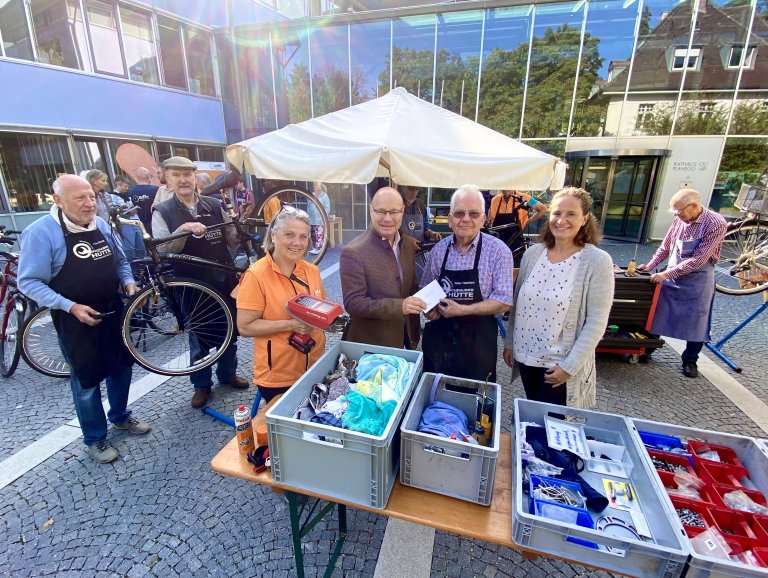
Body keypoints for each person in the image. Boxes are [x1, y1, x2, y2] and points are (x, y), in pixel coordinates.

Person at [18, 175, 150, 464]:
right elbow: (28, 282)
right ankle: (95, 438)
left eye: (91, 196)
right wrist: (70, 306)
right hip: (73, 318)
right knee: (87, 380)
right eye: (80, 198)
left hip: (112, 309)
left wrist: (128, 282)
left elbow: (120, 262)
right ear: (58, 201)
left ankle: (120, 416)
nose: (89, 203)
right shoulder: (40, 233)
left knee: (121, 367)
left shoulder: (100, 224)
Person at [503, 187, 615, 408]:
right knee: (533, 417)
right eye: (557, 213)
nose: (561, 220)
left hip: (558, 366)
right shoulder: (533, 254)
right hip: (526, 359)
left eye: (571, 214)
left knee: (555, 423)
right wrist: (509, 343)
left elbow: (596, 322)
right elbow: (518, 305)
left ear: (584, 219)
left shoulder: (597, 261)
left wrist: (570, 366)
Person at [152, 156, 249, 408]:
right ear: (168, 180)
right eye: (176, 175)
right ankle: (201, 385)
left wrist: (238, 225)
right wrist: (182, 230)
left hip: (221, 278)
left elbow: (232, 241)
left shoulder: (214, 204)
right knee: (198, 336)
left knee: (229, 329)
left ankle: (227, 374)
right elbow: (162, 249)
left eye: (187, 174)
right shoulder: (162, 211)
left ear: (195, 178)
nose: (183, 179)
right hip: (190, 284)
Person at [421, 184, 514, 381]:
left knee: (476, 396)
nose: (465, 219)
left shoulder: (498, 251)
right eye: (459, 213)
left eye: (473, 213)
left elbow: (504, 301)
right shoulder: (438, 250)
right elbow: (426, 292)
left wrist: (463, 310)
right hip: (441, 343)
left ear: (483, 219)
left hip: (478, 345)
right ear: (450, 219)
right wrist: (428, 310)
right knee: (436, 394)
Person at [236, 208, 326, 402]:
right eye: (289, 235)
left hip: (315, 365)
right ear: (273, 235)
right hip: (279, 375)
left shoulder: (312, 271)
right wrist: (290, 325)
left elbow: (321, 309)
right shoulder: (256, 276)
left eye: (303, 237)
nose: (297, 243)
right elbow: (245, 327)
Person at [637, 188, 728, 378]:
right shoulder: (679, 219)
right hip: (671, 274)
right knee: (658, 312)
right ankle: (647, 349)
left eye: (680, 211)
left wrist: (666, 274)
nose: (677, 215)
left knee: (697, 321)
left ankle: (690, 360)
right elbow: (666, 246)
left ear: (694, 205)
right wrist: (650, 265)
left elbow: (699, 259)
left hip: (698, 278)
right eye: (675, 212)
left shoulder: (716, 223)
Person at [340, 187, 425, 349]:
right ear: (370, 211)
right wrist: (399, 306)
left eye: (394, 212)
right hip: (371, 345)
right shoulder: (353, 251)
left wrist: (428, 307)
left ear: (402, 211)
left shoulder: (407, 244)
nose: (387, 218)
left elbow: (411, 289)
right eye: (381, 211)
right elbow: (353, 303)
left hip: (404, 339)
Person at [488, 189, 548, 265]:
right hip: (498, 242)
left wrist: (527, 221)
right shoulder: (495, 200)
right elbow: (490, 220)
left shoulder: (523, 197)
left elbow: (543, 209)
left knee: (516, 267)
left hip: (516, 241)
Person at [128, 167, 158, 236]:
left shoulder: (132, 192)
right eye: (150, 175)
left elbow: (131, 210)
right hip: (156, 224)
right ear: (147, 176)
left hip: (141, 227)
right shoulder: (156, 189)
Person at [308, 182, 331, 255]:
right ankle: (315, 248)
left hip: (320, 219)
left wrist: (323, 216)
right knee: (313, 234)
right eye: (314, 185)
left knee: (319, 233)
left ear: (320, 186)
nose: (314, 186)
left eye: (316, 185)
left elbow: (327, 208)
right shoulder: (312, 195)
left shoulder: (324, 196)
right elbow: (308, 205)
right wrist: (308, 215)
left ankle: (319, 248)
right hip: (312, 218)